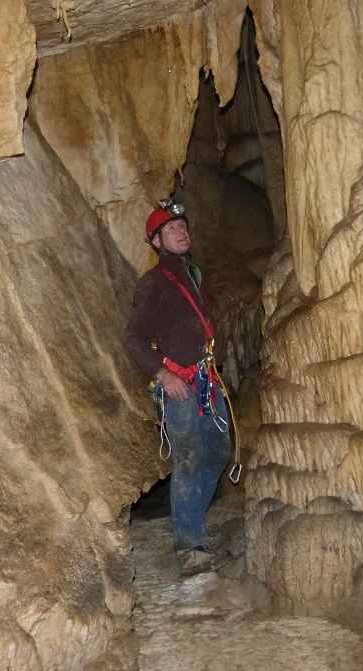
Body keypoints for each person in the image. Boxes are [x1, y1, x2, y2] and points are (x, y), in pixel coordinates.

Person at [125, 198, 232, 577]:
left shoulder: (193, 275)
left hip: (207, 380)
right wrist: (163, 375)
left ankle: (195, 529)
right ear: (156, 242)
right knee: (188, 458)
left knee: (219, 452)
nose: (180, 231)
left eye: (182, 226)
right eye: (171, 229)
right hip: (180, 385)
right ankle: (189, 547)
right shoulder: (153, 283)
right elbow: (134, 337)